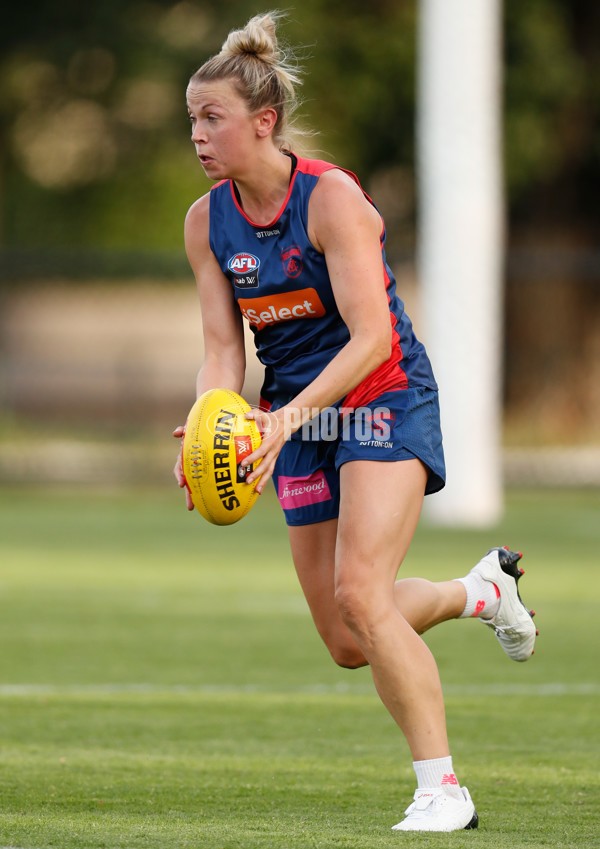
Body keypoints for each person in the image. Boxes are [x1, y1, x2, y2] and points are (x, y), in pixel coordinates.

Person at [173, 11, 537, 833]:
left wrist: (286, 416)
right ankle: (481, 591)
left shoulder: (332, 199)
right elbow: (223, 354)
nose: (197, 134)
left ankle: (443, 788)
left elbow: (372, 335)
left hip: (381, 396)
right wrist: (206, 429)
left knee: (361, 593)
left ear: (263, 122)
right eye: (192, 119)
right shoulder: (207, 223)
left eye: (212, 118)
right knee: (345, 636)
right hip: (297, 420)